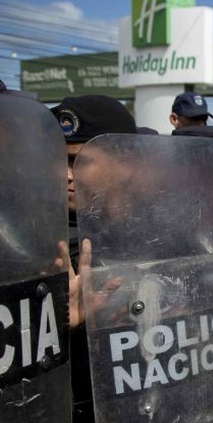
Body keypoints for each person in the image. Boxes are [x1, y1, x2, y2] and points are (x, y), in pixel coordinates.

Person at [51, 95, 137, 423]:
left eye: (79, 160)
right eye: (57, 159)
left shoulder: (167, 229)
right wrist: (61, 328)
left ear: (126, 161)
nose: (66, 175)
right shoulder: (40, 244)